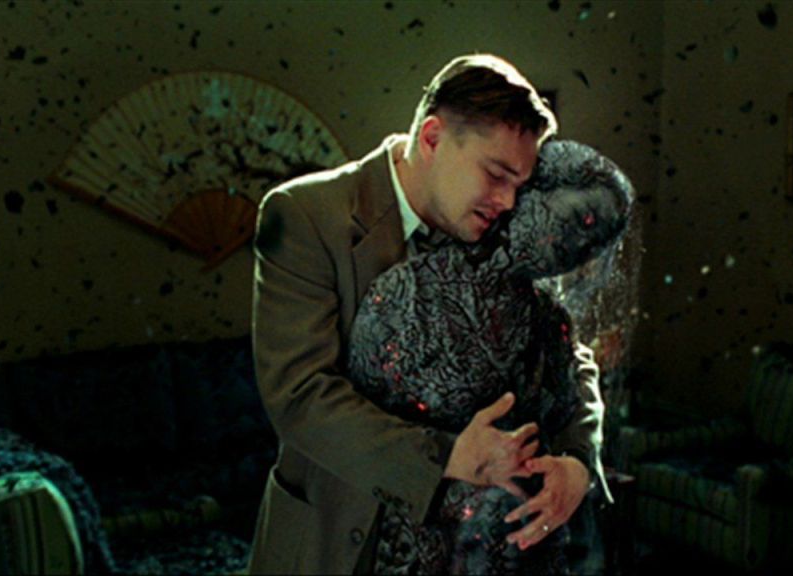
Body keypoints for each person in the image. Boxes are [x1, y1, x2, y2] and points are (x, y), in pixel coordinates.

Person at [247, 53, 610, 575]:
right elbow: (299, 394)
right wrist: (449, 457)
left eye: (520, 184)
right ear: (433, 138)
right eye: (496, 174)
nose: (509, 202)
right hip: (333, 544)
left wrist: (578, 461)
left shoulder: (502, 229)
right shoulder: (304, 215)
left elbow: (569, 358)